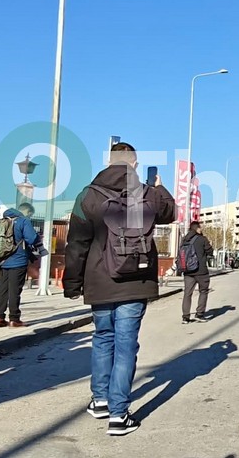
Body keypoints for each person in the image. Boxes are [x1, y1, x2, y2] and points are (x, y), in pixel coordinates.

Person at [63, 142, 175, 437]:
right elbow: (170, 212)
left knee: (103, 338)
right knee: (126, 344)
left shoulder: (87, 196)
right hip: (136, 281)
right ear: (135, 164)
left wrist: (73, 283)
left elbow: (76, 244)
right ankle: (119, 414)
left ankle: (100, 400)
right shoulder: (147, 194)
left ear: (109, 162)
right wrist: (159, 186)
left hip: (100, 281)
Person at [0, 201, 43, 328]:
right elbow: (31, 238)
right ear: (27, 212)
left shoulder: (4, 220)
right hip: (18, 260)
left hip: (3, 260)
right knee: (15, 290)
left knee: (2, 289)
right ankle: (14, 319)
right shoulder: (23, 221)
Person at [180, 221, 214, 324]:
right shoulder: (202, 239)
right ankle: (199, 314)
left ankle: (185, 317)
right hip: (201, 271)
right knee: (203, 292)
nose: (201, 229)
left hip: (188, 271)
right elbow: (210, 252)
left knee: (187, 294)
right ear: (197, 229)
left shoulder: (184, 240)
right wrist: (210, 245)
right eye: (200, 228)